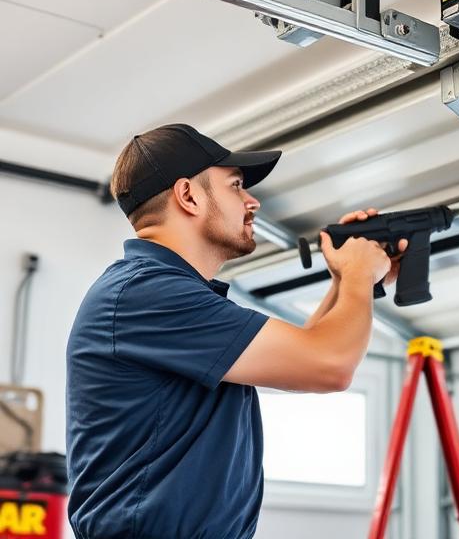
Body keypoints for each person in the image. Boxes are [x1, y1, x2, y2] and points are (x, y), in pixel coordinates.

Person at [65, 123, 407, 539]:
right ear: (188, 195)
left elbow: (307, 357)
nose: (252, 201)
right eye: (236, 186)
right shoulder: (146, 293)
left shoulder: (167, 295)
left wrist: (346, 280)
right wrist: (358, 274)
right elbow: (329, 365)